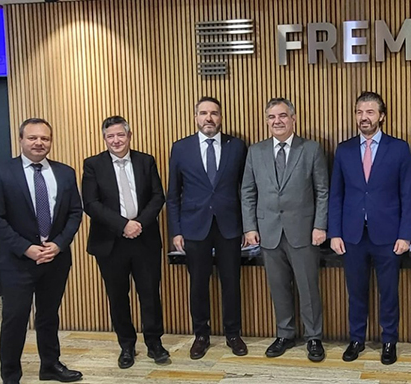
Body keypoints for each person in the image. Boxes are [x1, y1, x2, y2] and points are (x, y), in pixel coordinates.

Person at [0, 118, 84, 384]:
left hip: (55, 259)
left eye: (45, 138)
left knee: (49, 316)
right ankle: (11, 376)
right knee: (15, 319)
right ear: (21, 140)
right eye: (32, 138)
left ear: (51, 141)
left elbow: (75, 212)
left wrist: (59, 244)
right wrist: (26, 248)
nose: (39, 143)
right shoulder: (1, 172)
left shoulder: (65, 173)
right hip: (17, 261)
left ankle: (50, 366)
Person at [328, 91, 411, 365]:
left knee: (388, 291)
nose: (363, 118)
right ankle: (356, 339)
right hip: (352, 235)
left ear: (382, 116)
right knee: (356, 291)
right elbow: (336, 195)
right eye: (359, 112)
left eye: (369, 112)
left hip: (388, 236)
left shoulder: (399, 148)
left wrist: (406, 234)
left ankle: (389, 340)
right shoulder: (343, 150)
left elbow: (408, 194)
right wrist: (335, 232)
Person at [241, 98, 329, 362]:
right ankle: (285, 334)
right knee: (278, 287)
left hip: (303, 231)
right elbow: (247, 192)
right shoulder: (255, 152)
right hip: (268, 232)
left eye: (282, 116)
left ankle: (314, 337)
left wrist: (320, 225)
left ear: (293, 118)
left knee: (308, 287)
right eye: (271, 117)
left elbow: (322, 191)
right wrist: (249, 227)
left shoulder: (311, 149)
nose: (276, 121)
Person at [82, 116, 168, 368]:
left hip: (144, 238)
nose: (116, 140)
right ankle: (127, 345)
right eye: (110, 136)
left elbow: (157, 196)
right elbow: (91, 204)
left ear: (129, 136)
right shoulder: (93, 165)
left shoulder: (145, 161)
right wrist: (123, 225)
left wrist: (138, 223)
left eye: (120, 135)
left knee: (150, 294)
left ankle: (154, 343)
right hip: (111, 241)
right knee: (118, 296)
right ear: (105, 138)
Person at [167, 97, 248, 359]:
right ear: (195, 118)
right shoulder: (181, 148)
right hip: (194, 227)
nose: (209, 118)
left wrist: (248, 227)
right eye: (203, 113)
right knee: (198, 284)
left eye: (213, 113)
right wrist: (176, 230)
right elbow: (173, 194)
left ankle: (233, 334)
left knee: (231, 283)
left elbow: (246, 190)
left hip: (229, 226)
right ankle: (201, 335)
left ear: (221, 117)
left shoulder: (237, 146)